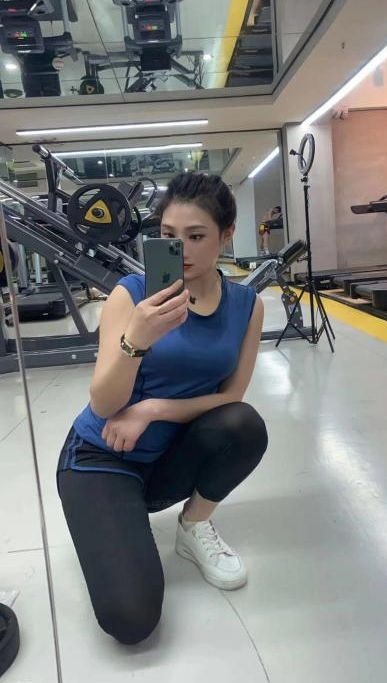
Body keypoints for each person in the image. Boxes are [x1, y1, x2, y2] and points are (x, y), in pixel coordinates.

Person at [57, 172, 268, 646]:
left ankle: (193, 525)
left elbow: (231, 396)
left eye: (196, 236)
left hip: (169, 455)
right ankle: (115, 518)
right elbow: (105, 403)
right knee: (131, 620)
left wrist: (152, 409)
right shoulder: (132, 294)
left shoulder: (247, 305)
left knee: (244, 426)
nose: (182, 250)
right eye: (169, 236)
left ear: (226, 235)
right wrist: (137, 339)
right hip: (102, 456)